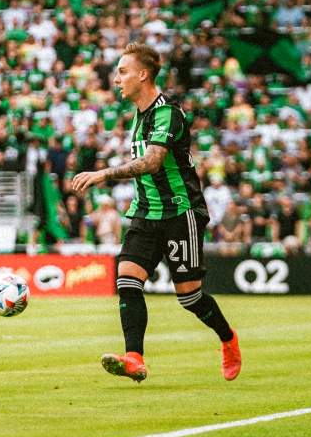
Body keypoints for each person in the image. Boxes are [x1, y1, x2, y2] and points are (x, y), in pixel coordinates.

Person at [73, 43, 241, 383]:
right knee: (126, 280)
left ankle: (228, 339)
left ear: (143, 74)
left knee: (189, 296)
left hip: (180, 212)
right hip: (146, 212)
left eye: (122, 72)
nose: (116, 79)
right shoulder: (138, 115)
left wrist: (104, 174)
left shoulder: (167, 113)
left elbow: (152, 162)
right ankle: (134, 358)